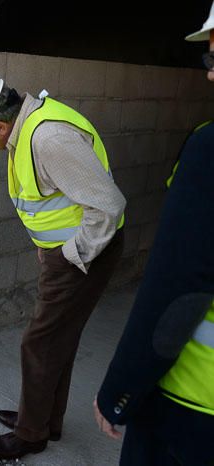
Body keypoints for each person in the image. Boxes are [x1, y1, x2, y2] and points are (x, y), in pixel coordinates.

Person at [0, 74, 126, 460]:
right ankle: (44, 420)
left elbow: (108, 205)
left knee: (40, 343)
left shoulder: (48, 138)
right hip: (67, 253)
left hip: (85, 253)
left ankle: (31, 434)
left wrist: (72, 255)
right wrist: (49, 249)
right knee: (56, 339)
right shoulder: (26, 130)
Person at [93, 4, 214, 464]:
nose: (207, 76)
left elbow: (178, 290)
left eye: (213, 59)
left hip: (193, 405)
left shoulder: (208, 149)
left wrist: (121, 390)